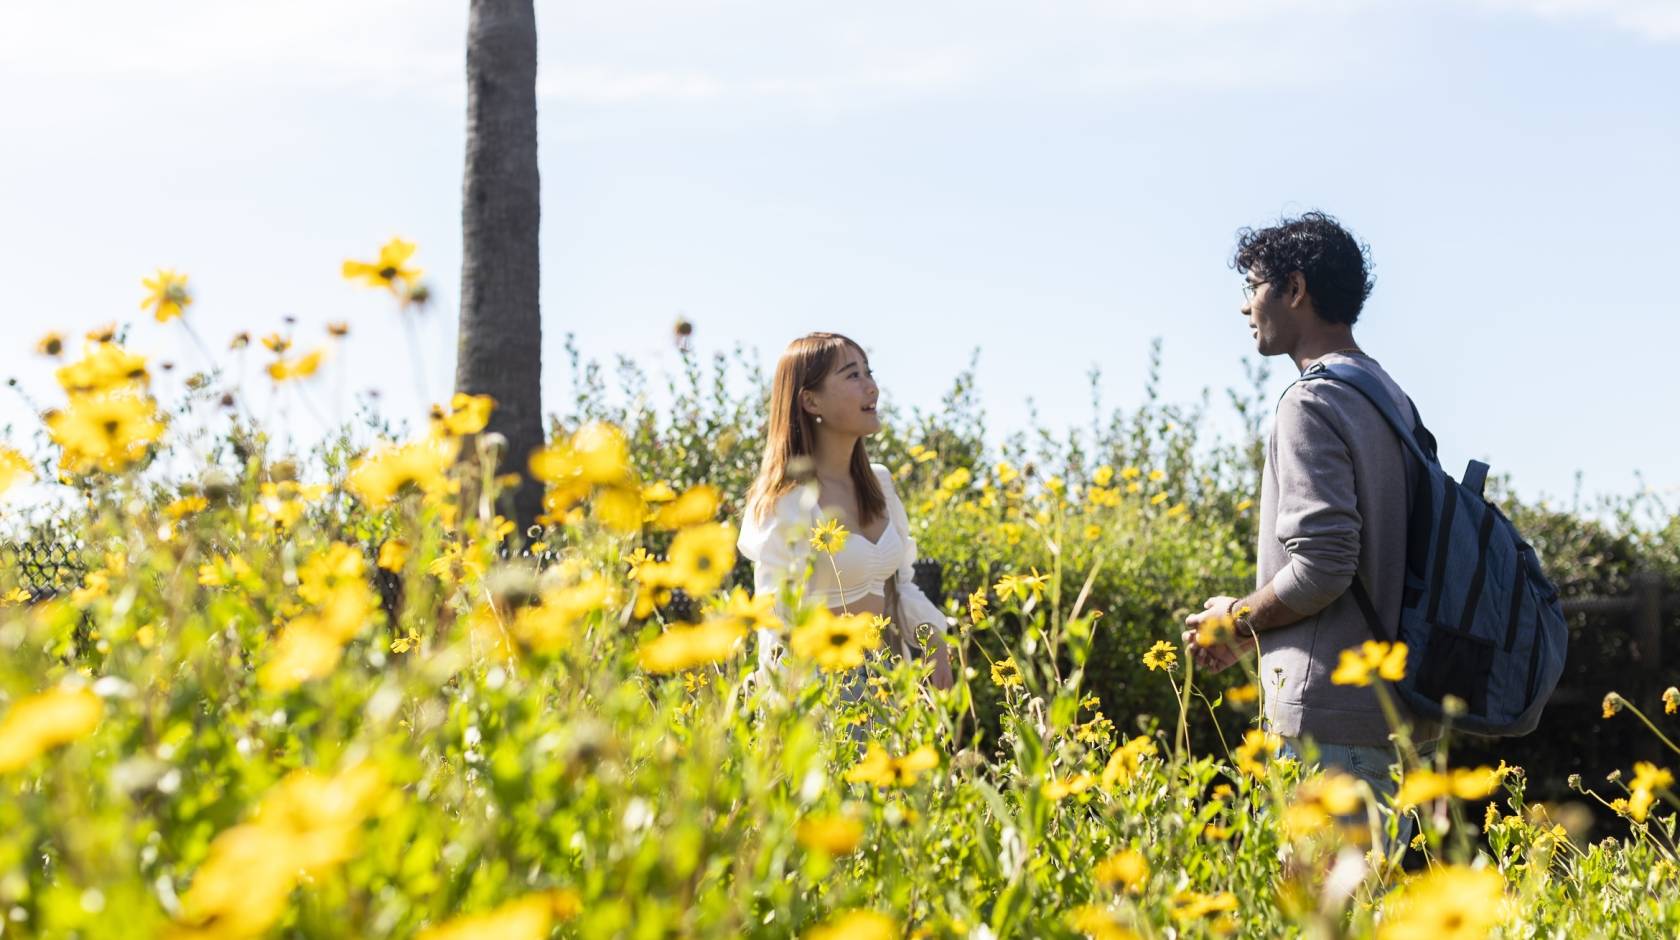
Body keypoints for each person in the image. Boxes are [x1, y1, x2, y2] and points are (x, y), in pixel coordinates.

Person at [1182, 212, 1437, 826]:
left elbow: (1324, 565)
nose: (1247, 308)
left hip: (1330, 733)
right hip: (1395, 717)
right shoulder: (1390, 398)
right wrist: (1254, 630)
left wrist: (1236, 619)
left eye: (1254, 287)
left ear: (1294, 290)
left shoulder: (1311, 402)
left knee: (1324, 919)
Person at [737, 332, 954, 690]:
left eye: (869, 373)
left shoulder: (879, 484)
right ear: (810, 401)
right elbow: (774, 616)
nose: (872, 388)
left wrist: (934, 638)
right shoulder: (787, 500)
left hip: (887, 690)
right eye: (853, 375)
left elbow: (901, 586)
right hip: (819, 695)